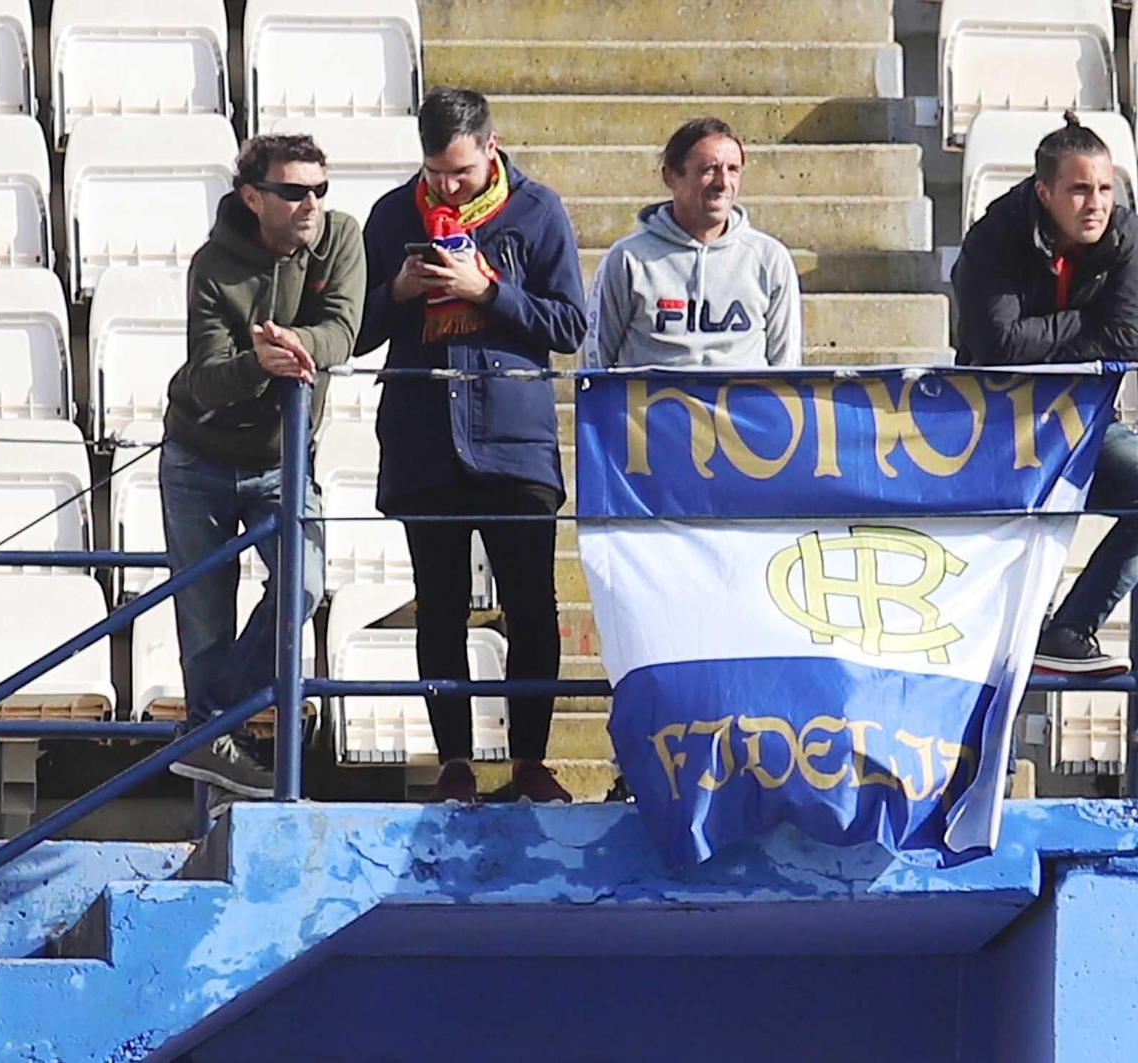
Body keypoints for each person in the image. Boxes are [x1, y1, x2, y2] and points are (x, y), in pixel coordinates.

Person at [357, 88, 587, 803]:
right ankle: (454, 761)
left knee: (531, 602)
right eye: (435, 173)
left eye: (459, 172)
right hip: (426, 438)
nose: (446, 187)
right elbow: (355, 330)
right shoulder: (394, 215)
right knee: (441, 601)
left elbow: (571, 326)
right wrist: (398, 287)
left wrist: (486, 292)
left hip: (514, 440)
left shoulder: (537, 210)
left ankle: (529, 762)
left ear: (491, 147)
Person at [951, 112, 1138, 676]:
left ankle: (1067, 630)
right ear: (1044, 192)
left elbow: (1127, 340)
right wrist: (1082, 325)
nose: (1096, 203)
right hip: (997, 425)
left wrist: (1047, 332)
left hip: (1085, 424)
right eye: (1080, 188)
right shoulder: (995, 235)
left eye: (1105, 188)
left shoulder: (1128, 236)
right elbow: (994, 347)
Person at [162, 133, 366, 795]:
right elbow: (207, 377)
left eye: (319, 188)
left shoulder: (339, 239)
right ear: (253, 197)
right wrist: (260, 363)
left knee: (303, 585)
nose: (311, 203)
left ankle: (208, 721)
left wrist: (292, 343)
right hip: (200, 457)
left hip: (282, 459)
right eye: (293, 191)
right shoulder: (213, 265)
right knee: (203, 619)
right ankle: (211, 747)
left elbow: (342, 330)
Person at [582, 116, 801, 368]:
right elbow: (596, 360)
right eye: (708, 169)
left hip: (741, 406)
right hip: (653, 405)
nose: (723, 183)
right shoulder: (628, 258)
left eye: (733, 170)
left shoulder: (769, 258)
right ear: (670, 177)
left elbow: (787, 365)